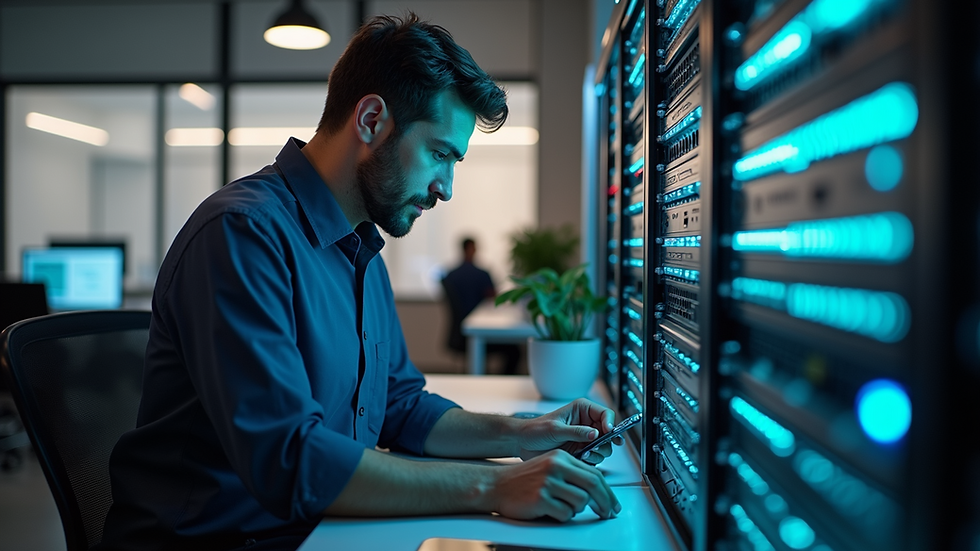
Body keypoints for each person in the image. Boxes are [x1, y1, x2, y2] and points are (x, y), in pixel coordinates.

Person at [98, 13, 621, 551]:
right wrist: (495, 484)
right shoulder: (241, 235)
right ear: (371, 120)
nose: (446, 187)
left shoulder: (362, 249)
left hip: (321, 532)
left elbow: (400, 407)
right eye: (440, 153)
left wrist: (526, 435)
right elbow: (291, 461)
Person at [442, 237, 521, 374]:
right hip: (474, 332)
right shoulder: (481, 274)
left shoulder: (450, 275)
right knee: (515, 351)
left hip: (458, 335)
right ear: (472, 249)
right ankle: (502, 384)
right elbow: (492, 297)